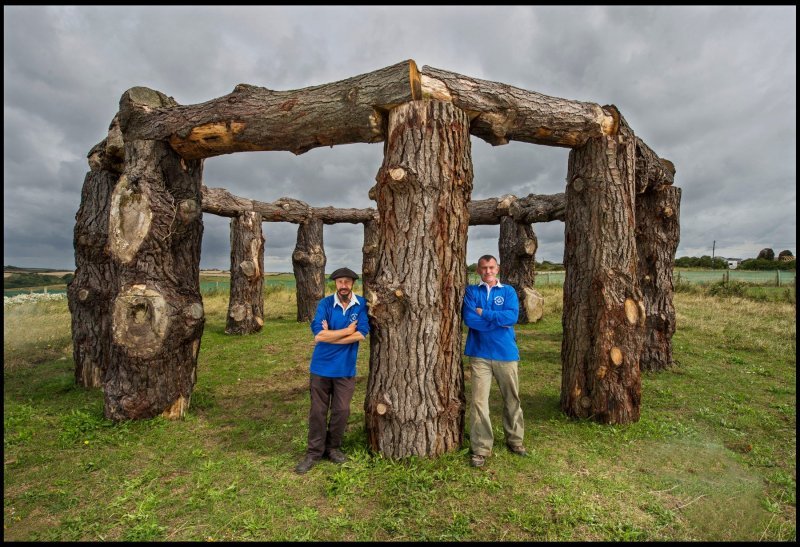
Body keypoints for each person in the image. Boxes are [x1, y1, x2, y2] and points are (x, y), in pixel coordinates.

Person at [295, 267, 370, 474]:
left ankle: (333, 448)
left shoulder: (361, 304)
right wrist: (346, 331)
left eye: (347, 282)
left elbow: (361, 334)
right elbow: (319, 336)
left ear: (353, 283)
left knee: (342, 410)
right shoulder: (326, 304)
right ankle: (313, 453)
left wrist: (332, 334)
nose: (343, 285)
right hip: (321, 367)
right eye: (340, 282)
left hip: (345, 368)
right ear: (335, 284)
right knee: (318, 411)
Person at [462, 254, 527, 468]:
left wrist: (485, 313)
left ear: (497, 269)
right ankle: (481, 448)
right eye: (483, 268)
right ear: (478, 270)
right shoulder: (472, 292)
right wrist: (496, 320)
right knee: (479, 402)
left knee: (512, 399)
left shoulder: (507, 291)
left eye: (491, 267)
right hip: (480, 354)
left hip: (506, 353)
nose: (487, 271)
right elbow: (471, 320)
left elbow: (512, 318)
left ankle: (515, 441)